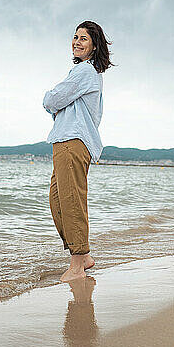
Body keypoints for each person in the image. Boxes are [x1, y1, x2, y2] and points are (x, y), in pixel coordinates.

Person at [43, 21, 115, 282]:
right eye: (75, 37)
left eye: (83, 38)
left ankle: (77, 264)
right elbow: (59, 100)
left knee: (71, 201)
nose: (76, 42)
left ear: (94, 45)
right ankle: (83, 256)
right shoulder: (86, 73)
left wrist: (51, 100)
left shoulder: (85, 72)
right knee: (57, 199)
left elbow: (52, 100)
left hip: (73, 142)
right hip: (66, 140)